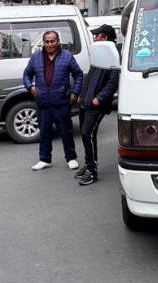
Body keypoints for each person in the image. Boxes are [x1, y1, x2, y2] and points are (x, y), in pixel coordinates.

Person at [22, 30, 83, 171]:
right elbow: (26, 74)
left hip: (61, 102)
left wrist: (75, 93)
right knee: (44, 132)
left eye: (52, 41)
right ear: (43, 43)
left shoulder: (67, 57)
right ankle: (44, 159)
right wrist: (30, 87)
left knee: (66, 132)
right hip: (43, 102)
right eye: (47, 41)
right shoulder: (36, 57)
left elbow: (79, 75)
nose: (50, 44)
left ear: (58, 42)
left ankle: (71, 158)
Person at [75, 24, 122, 186]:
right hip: (87, 101)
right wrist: (82, 95)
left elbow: (112, 82)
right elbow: (90, 76)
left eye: (98, 35)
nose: (95, 38)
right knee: (85, 134)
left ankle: (92, 171)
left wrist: (99, 99)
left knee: (88, 134)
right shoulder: (99, 53)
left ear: (105, 37)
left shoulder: (112, 55)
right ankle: (88, 163)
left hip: (96, 104)